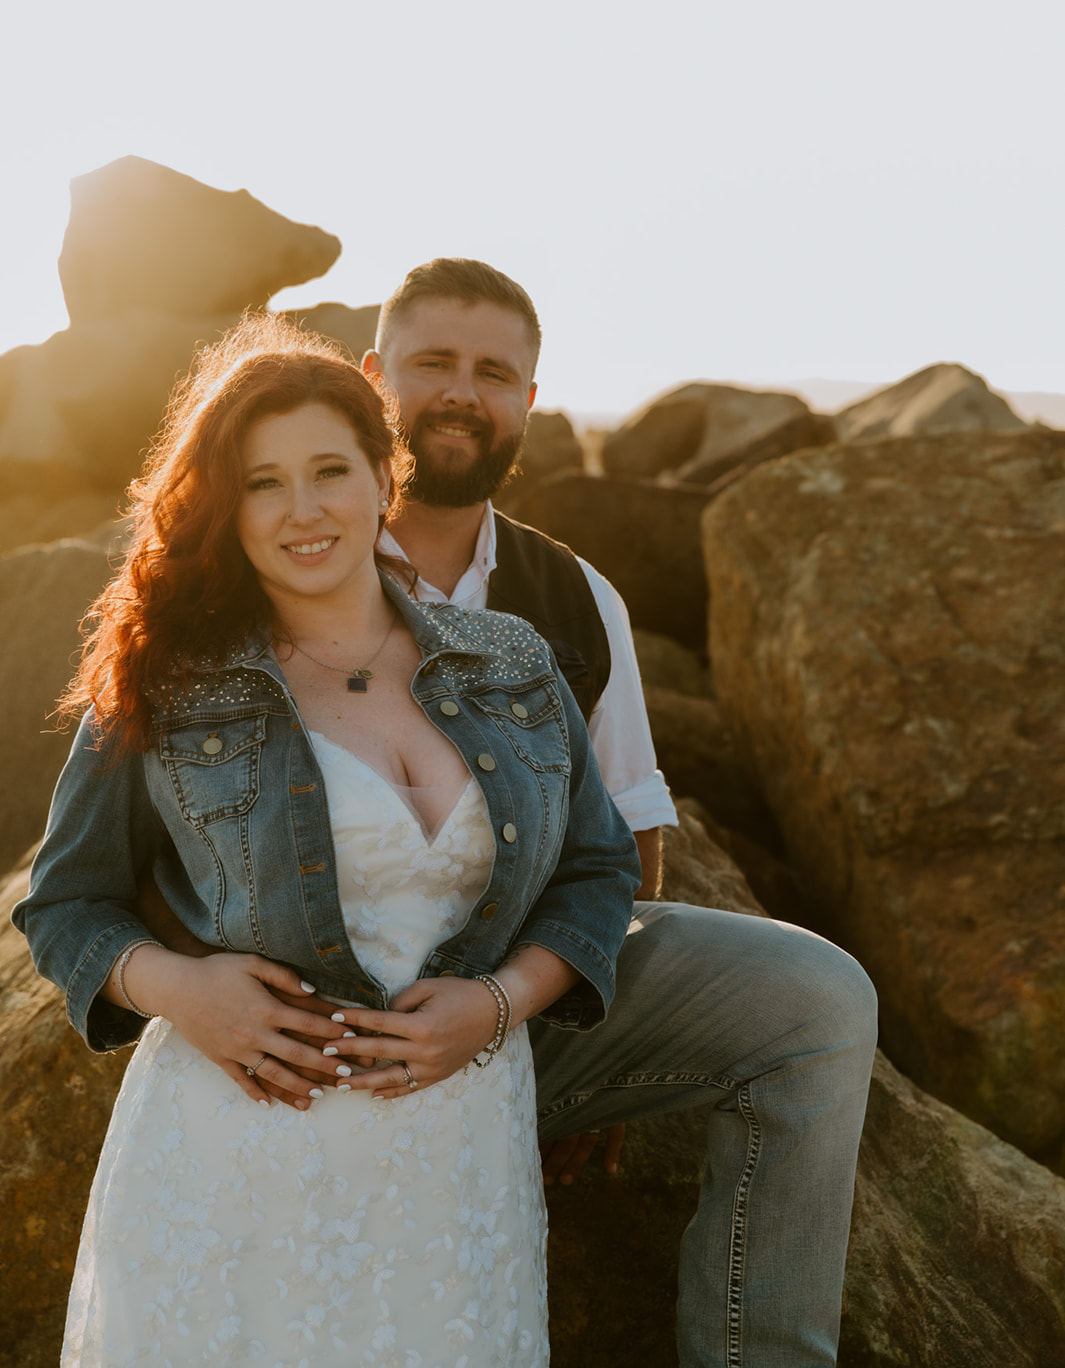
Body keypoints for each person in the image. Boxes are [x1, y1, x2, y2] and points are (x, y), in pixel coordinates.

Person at [13, 313, 641, 1367]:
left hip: (460, 1154)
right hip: (235, 1156)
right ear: (225, 505)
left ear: (380, 477)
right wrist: (182, 989)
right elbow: (65, 900)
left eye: (328, 471)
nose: (302, 510)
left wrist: (499, 1001)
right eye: (262, 483)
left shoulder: (511, 661)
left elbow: (597, 867)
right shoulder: (169, 680)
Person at [357, 259, 879, 1368]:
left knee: (817, 1003)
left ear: (530, 407)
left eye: (495, 372)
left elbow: (630, 833)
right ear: (371, 379)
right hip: (325, 1027)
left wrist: (581, 1020)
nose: (462, 391)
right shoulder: (292, 559)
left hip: (521, 1014)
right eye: (432, 363)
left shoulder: (580, 599)